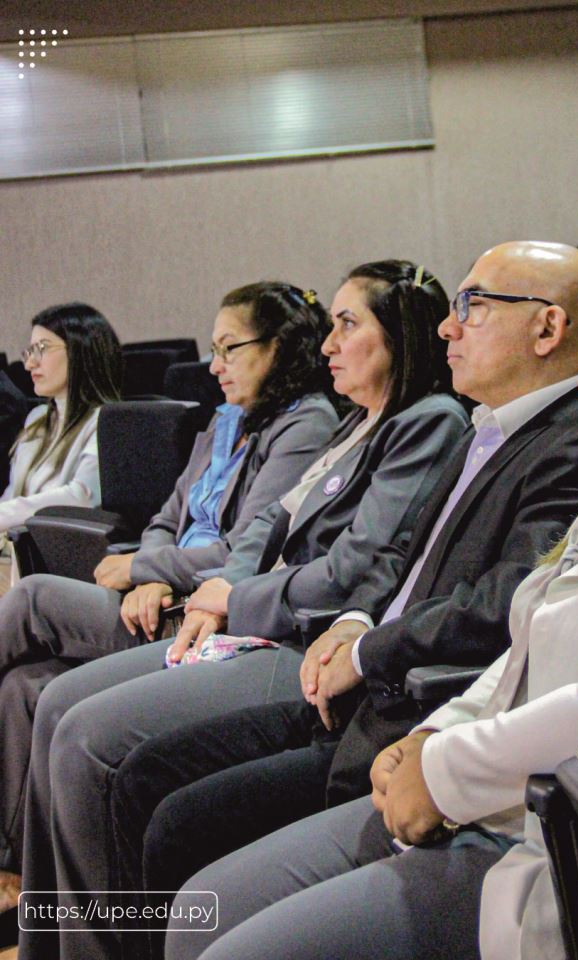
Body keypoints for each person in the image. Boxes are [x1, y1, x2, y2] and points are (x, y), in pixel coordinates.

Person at [160, 239, 578, 960]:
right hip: (476, 779)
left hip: (553, 846)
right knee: (207, 906)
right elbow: (525, 643)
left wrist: (442, 772)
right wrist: (430, 740)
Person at [106, 240, 578, 955]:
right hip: (353, 675)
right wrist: (352, 623)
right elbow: (396, 557)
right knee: (145, 782)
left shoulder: (566, 443)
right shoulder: (482, 425)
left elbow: (510, 597)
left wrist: (365, 645)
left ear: (547, 329)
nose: (448, 326)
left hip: (403, 708)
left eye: (472, 305)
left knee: (178, 828)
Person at [18, 260, 468, 960]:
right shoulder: (355, 421)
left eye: (348, 325)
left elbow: (358, 567)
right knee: (61, 708)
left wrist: (236, 597)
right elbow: (265, 529)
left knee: (84, 735)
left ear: (400, 338)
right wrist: (215, 591)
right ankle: (50, 944)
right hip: (250, 618)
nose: (328, 345)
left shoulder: (425, 422)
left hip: (302, 639)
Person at [0, 281, 338, 914]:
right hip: (162, 590)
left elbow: (244, 552)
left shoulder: (306, 424)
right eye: (213, 349)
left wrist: (150, 569)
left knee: (34, 598)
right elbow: (168, 515)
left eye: (230, 349)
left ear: (280, 348)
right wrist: (149, 567)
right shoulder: (224, 419)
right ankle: (25, 891)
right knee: (28, 685)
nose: (215, 366)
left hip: (200, 613)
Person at [0, 303, 121, 540]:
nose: (30, 364)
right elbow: (12, 496)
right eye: (29, 352)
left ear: (80, 350)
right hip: (16, 550)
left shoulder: (108, 423)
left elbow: (81, 497)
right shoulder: (36, 421)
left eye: (42, 348)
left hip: (63, 554)